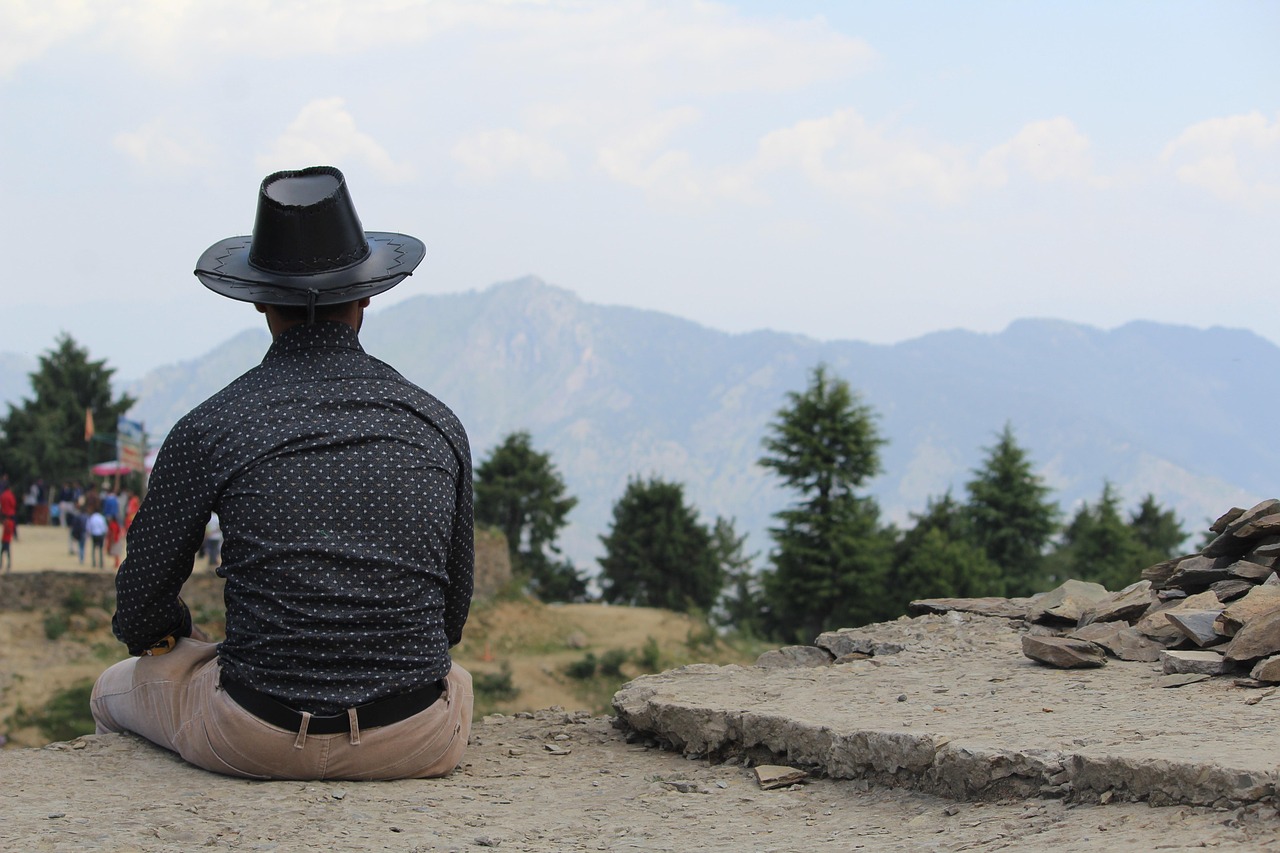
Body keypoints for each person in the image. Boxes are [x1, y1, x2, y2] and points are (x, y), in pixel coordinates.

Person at [91, 166, 475, 781]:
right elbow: (450, 616)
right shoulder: (434, 420)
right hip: (416, 736)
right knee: (455, 676)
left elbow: (140, 607)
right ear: (368, 294)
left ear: (260, 299)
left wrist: (177, 643)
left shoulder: (212, 424)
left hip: (254, 734)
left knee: (112, 690)